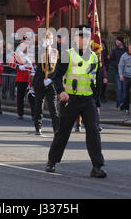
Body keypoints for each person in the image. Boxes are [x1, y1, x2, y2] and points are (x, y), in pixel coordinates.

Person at [45, 25, 106, 178]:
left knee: (93, 131)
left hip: (88, 100)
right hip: (70, 100)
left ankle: (97, 167)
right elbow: (56, 77)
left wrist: (97, 104)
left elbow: (96, 82)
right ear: (75, 39)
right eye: (81, 37)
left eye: (87, 37)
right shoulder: (67, 54)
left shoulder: (93, 56)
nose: (84, 40)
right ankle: (52, 161)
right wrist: (61, 92)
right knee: (63, 132)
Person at [32, 32, 59, 135]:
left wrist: (51, 79)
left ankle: (56, 128)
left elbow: (57, 68)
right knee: (39, 106)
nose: (49, 40)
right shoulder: (38, 50)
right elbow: (37, 60)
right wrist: (44, 48)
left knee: (53, 107)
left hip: (50, 83)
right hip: (39, 82)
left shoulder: (55, 52)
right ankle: (38, 126)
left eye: (50, 38)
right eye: (46, 39)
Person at [109, 36, 126, 109]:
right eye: (116, 41)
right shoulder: (114, 50)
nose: (117, 42)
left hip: (126, 72)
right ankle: (119, 103)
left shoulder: (126, 50)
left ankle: (124, 103)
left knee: (124, 89)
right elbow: (111, 60)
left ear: (121, 42)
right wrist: (116, 64)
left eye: (118, 41)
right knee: (119, 88)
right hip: (117, 72)